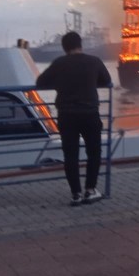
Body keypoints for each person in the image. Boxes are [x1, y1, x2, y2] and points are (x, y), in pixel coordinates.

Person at [35, 31, 111, 206]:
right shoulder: (94, 61)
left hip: (67, 115)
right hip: (89, 113)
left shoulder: (59, 63)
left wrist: (60, 83)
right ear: (80, 45)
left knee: (70, 155)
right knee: (94, 153)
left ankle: (75, 194)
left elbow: (41, 82)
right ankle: (90, 190)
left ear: (64, 47)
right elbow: (106, 80)